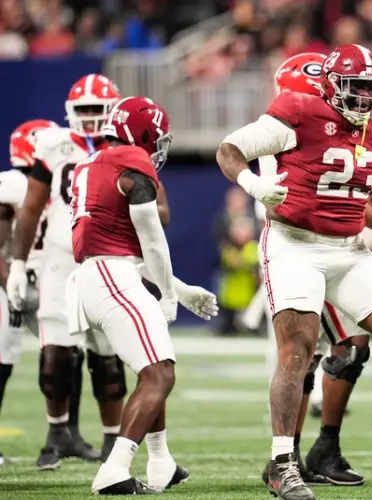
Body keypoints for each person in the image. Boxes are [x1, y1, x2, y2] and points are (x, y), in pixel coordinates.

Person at [217, 44, 372, 500]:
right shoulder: (296, 112)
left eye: (371, 90)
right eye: (355, 89)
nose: (364, 99)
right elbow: (230, 149)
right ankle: (281, 463)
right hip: (294, 246)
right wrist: (252, 183)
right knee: (298, 349)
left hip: (349, 249)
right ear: (330, 87)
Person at [68, 96, 218, 494]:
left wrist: (180, 291)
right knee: (160, 373)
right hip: (113, 277)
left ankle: (160, 461)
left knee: (150, 367)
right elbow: (151, 239)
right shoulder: (133, 159)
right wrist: (168, 295)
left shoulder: (89, 163)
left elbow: (126, 245)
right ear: (145, 132)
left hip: (94, 276)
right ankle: (114, 469)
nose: (158, 147)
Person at [6, 74, 128, 470]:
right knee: (55, 356)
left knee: (108, 357)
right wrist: (18, 265)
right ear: (69, 114)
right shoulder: (53, 145)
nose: (91, 119)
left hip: (106, 259)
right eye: (84, 111)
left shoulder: (127, 146)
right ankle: (58, 432)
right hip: (60, 263)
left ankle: (113, 440)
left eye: (98, 110)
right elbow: (29, 208)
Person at [0, 119, 60, 466]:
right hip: (13, 280)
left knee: (58, 354)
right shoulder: (13, 183)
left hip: (41, 279)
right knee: (3, 360)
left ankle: (63, 434)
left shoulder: (51, 182)